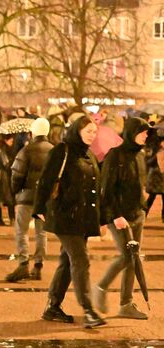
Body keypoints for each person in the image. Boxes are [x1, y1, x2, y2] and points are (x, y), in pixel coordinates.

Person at [33, 116, 105, 328]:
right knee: (81, 260)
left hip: (82, 219)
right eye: (88, 131)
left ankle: (53, 307)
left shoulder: (90, 155)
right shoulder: (62, 151)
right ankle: (88, 308)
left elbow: (94, 189)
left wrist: (100, 218)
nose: (92, 135)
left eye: (94, 131)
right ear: (77, 130)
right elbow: (45, 181)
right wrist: (38, 209)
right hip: (64, 216)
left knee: (67, 261)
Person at [92, 118, 150, 319]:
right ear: (132, 132)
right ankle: (100, 287)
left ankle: (126, 303)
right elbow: (106, 189)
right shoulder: (115, 155)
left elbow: (139, 183)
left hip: (137, 214)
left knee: (133, 259)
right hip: (120, 217)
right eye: (143, 132)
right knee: (127, 256)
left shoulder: (140, 156)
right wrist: (115, 215)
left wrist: (143, 206)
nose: (146, 135)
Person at [6, 118, 53, 282]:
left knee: (22, 230)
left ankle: (23, 263)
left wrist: (16, 192)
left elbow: (16, 176)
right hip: (46, 199)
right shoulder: (54, 151)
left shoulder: (26, 151)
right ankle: (38, 265)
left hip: (26, 198)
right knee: (42, 232)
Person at [145, 135, 164, 222]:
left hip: (161, 179)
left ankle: (163, 217)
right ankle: (144, 214)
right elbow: (149, 162)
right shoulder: (157, 151)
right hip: (156, 179)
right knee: (151, 198)